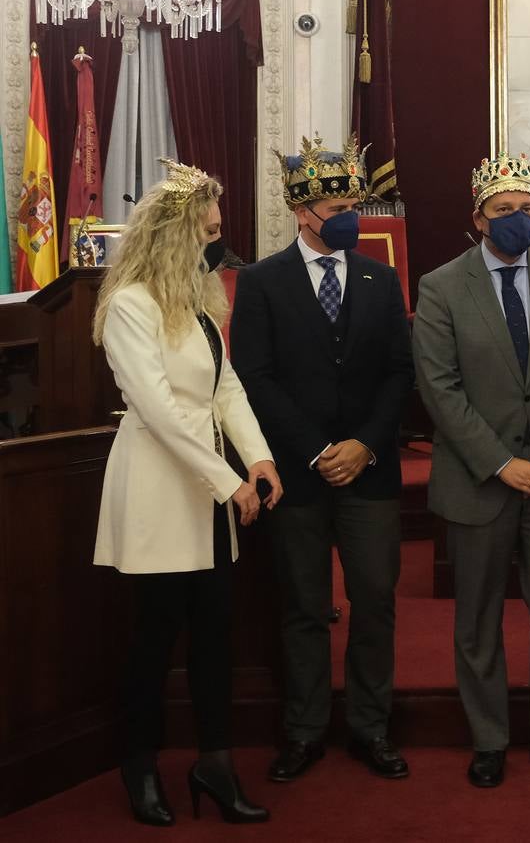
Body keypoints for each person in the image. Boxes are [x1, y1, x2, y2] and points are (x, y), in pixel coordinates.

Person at [93, 159, 281, 826]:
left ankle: (216, 764)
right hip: (157, 493)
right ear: (174, 235)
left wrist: (257, 458)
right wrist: (231, 481)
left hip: (210, 497)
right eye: (209, 231)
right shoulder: (130, 305)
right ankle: (139, 766)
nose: (218, 242)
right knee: (154, 639)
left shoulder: (199, 302)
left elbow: (224, 389)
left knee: (214, 638)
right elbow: (158, 409)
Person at [413, 152, 530, 788]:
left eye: (527, 209)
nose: (518, 219)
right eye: (504, 211)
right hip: (478, 482)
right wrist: (501, 463)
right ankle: (489, 738)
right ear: (478, 218)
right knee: (478, 621)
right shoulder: (441, 285)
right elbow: (439, 389)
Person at [231, 135, 414, 783]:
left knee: (374, 602)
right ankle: (304, 731)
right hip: (299, 477)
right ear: (302, 210)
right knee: (304, 607)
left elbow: (400, 371)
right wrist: (314, 450)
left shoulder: (380, 276)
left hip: (371, 473)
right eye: (338, 201)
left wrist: (364, 443)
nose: (350, 212)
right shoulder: (260, 282)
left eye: (354, 199)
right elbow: (253, 376)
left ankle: (371, 727)